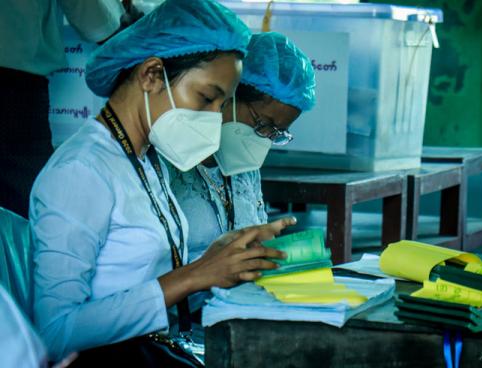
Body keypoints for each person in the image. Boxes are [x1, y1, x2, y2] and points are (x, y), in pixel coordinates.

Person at [29, 0, 294, 363]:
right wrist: (194, 276)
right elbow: (55, 333)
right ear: (152, 74)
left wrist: (219, 257)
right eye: (206, 98)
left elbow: (144, 278)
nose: (215, 119)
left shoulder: (145, 161)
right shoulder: (81, 171)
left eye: (222, 105)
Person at [170, 32, 316, 263]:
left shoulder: (243, 166)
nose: (265, 138)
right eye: (265, 124)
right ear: (229, 95)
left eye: (277, 133)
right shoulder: (170, 164)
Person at [0, 0, 125, 218]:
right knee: (24, 210)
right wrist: (124, 26)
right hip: (13, 92)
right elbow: (94, 20)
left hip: (15, 90)